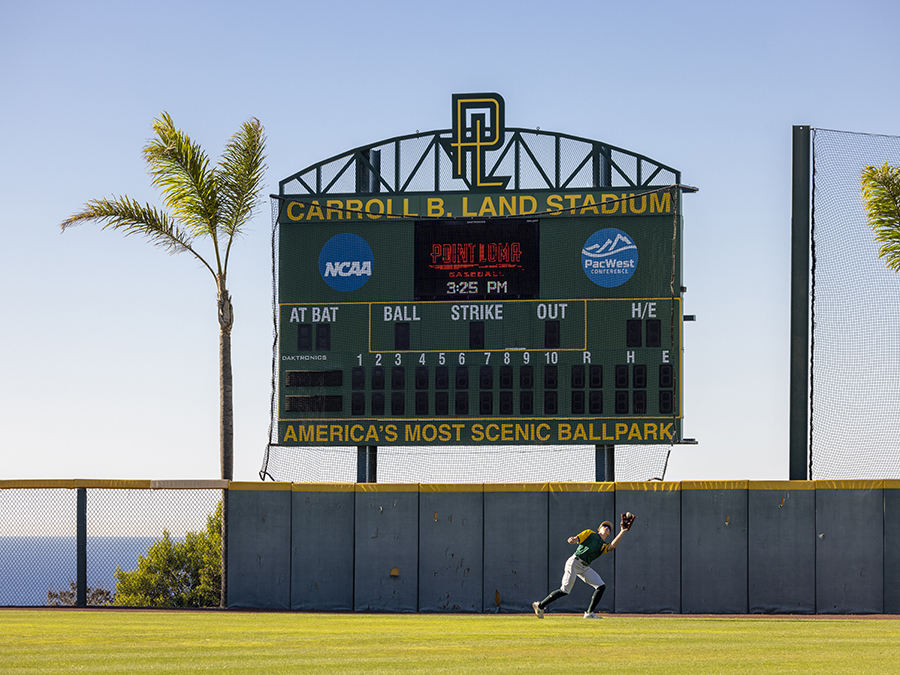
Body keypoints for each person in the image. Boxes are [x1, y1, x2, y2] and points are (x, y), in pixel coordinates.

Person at [532, 516, 632, 619]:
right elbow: (577, 538)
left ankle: (589, 613)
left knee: (601, 586)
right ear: (599, 529)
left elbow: (612, 546)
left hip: (585, 567)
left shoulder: (603, 546)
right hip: (575, 562)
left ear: (609, 533)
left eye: (609, 528)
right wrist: (573, 540)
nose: (607, 528)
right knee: (565, 590)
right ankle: (540, 606)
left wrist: (622, 531)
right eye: (604, 526)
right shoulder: (590, 533)